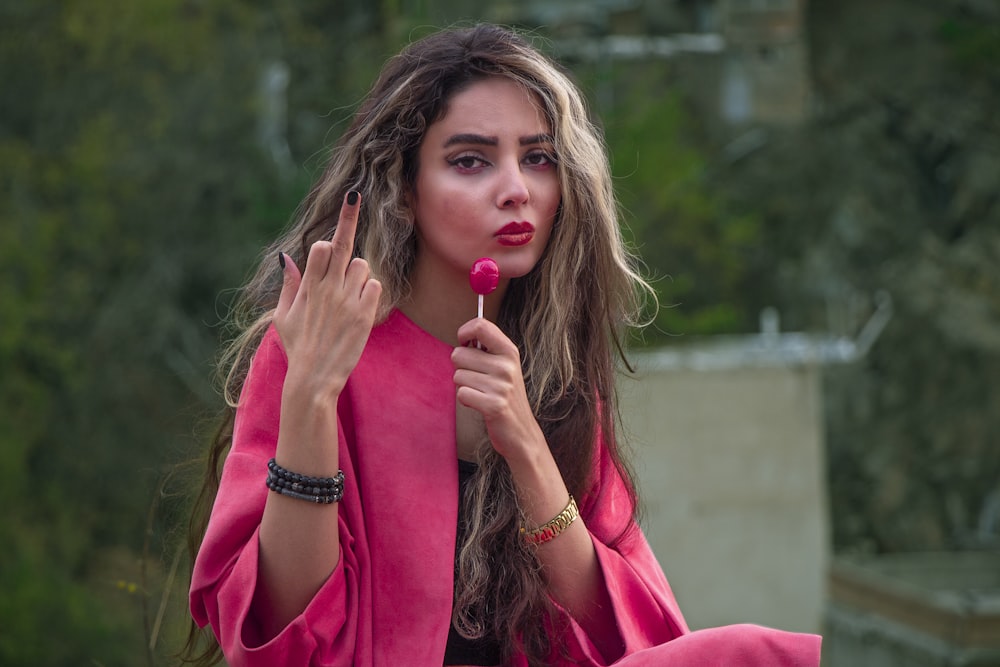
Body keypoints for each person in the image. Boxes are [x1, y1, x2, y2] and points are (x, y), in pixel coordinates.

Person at [186, 23, 822, 667]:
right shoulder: (316, 342)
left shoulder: (550, 367)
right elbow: (278, 638)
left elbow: (625, 637)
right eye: (470, 160)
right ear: (404, 188)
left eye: (538, 158)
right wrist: (311, 397)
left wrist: (524, 444)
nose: (516, 187)